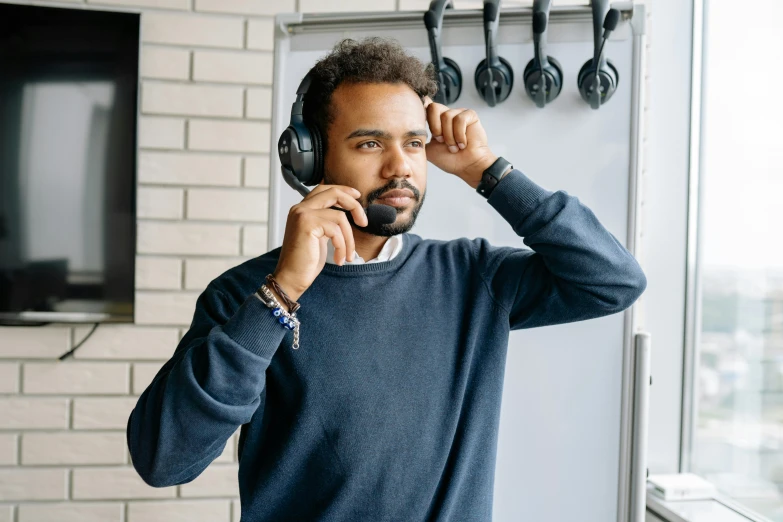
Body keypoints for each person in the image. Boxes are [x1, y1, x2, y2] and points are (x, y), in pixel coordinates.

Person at [127, 37, 647, 521]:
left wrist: (487, 170)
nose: (401, 167)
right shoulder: (250, 294)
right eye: (371, 144)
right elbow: (164, 460)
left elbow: (612, 280)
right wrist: (280, 294)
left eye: (415, 144)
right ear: (311, 158)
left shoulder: (474, 278)